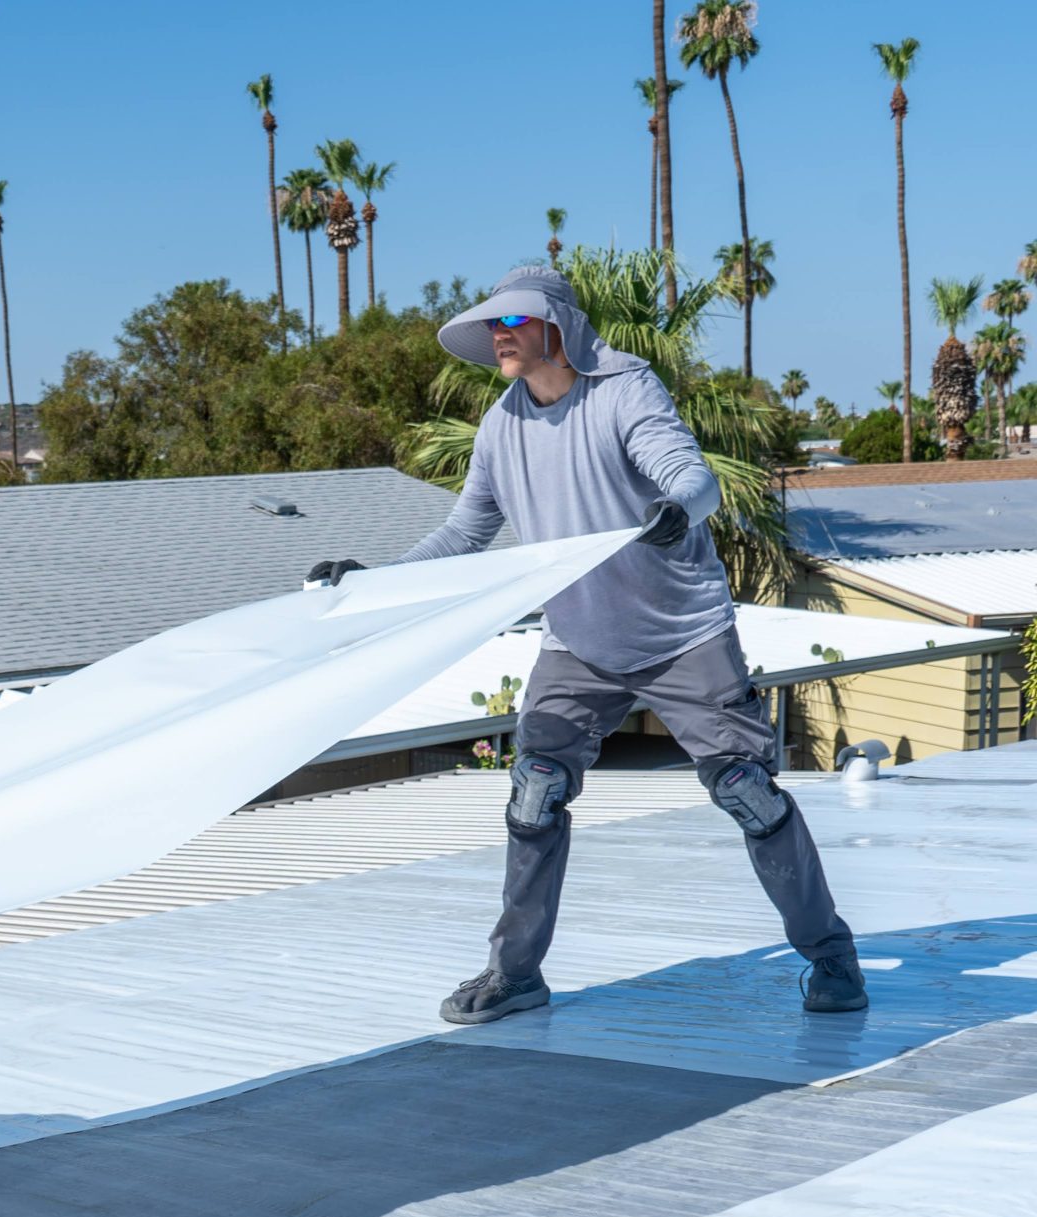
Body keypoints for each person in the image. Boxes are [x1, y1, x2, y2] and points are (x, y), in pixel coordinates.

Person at [305, 266, 867, 1024]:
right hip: (579, 641)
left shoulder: (624, 388)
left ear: (556, 327)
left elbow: (691, 477)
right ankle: (516, 974)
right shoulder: (502, 424)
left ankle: (831, 954)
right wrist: (375, 581)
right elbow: (465, 532)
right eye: (492, 328)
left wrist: (677, 508)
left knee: (748, 790)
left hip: (681, 634)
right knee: (535, 790)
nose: (498, 336)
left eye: (513, 323)